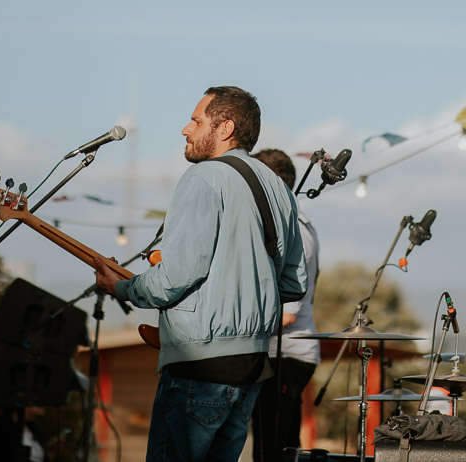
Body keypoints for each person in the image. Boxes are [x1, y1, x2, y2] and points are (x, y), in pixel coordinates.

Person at [93, 86, 307, 462]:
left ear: (225, 128)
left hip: (200, 363)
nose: (185, 130)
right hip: (254, 364)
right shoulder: (278, 187)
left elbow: (176, 277)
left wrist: (123, 288)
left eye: (196, 120)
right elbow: (294, 283)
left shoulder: (204, 177)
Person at [249, 148, 320, 462]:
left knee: (272, 449)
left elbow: (288, 315)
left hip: (286, 356)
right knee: (275, 447)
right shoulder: (289, 227)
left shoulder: (297, 234)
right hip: (280, 354)